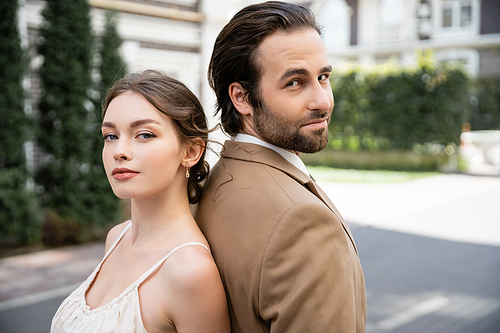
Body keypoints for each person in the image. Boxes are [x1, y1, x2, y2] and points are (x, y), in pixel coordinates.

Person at [196, 1, 366, 332]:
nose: (322, 101)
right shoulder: (302, 223)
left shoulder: (215, 182)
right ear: (241, 98)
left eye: (323, 77)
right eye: (294, 82)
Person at [51, 70, 230, 333]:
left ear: (191, 151)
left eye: (144, 134)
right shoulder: (117, 237)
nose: (119, 152)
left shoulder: (189, 270)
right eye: (110, 136)